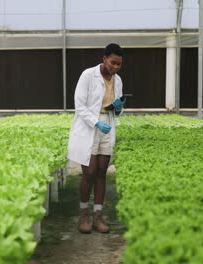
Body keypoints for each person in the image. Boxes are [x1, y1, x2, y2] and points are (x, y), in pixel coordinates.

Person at [67, 43, 126, 234]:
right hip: (89, 126)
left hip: (107, 125)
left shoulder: (118, 81)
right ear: (104, 59)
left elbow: (117, 112)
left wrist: (117, 107)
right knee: (89, 173)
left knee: (102, 172)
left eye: (118, 64)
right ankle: (83, 215)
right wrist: (96, 122)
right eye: (112, 63)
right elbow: (80, 105)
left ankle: (98, 216)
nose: (115, 68)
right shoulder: (88, 75)